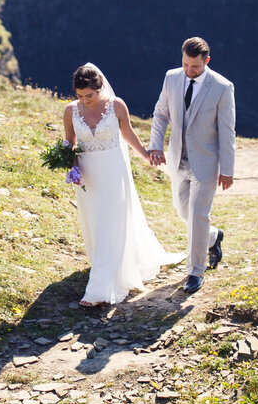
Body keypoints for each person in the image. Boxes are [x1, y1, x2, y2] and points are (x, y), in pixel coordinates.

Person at [63, 63, 181, 309]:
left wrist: (147, 155)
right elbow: (70, 142)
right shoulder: (70, 111)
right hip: (88, 174)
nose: (85, 100)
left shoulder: (116, 105)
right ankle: (106, 264)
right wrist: (70, 165)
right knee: (95, 220)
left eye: (90, 96)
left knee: (112, 221)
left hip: (114, 171)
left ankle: (99, 287)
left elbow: (127, 134)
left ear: (99, 88)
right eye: (80, 96)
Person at [147, 37, 235, 294]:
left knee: (197, 216)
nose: (189, 70)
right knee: (183, 212)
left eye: (195, 66)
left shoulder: (222, 87)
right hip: (178, 159)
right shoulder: (171, 78)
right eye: (185, 64)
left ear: (206, 61)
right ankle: (212, 237)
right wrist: (155, 146)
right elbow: (161, 114)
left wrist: (228, 170)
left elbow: (227, 131)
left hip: (206, 163)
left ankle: (195, 273)